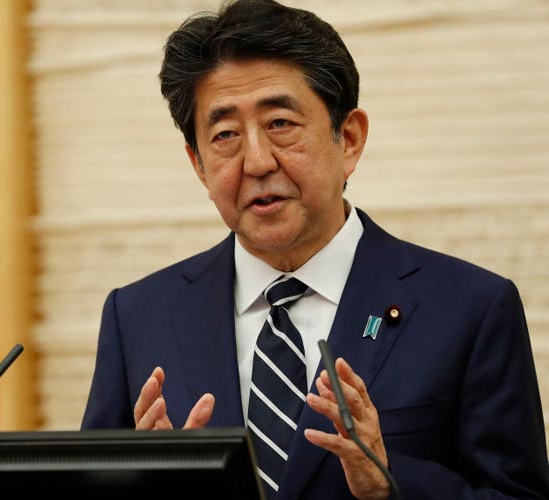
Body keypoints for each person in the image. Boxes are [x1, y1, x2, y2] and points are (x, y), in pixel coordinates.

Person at [80, 0, 549, 499]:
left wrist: (391, 483)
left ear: (348, 139)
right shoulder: (137, 317)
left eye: (280, 123)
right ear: (198, 164)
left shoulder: (469, 308)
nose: (257, 161)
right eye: (225, 135)